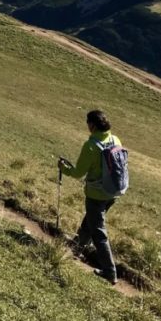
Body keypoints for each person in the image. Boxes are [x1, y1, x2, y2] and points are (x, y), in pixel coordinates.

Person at [58, 109, 122, 285]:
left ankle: (110, 271)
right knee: (91, 221)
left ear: (92, 125)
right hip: (113, 192)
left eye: (88, 123)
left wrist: (63, 168)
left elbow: (78, 173)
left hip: (96, 193)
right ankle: (76, 248)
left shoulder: (91, 146)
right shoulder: (115, 139)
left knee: (98, 231)